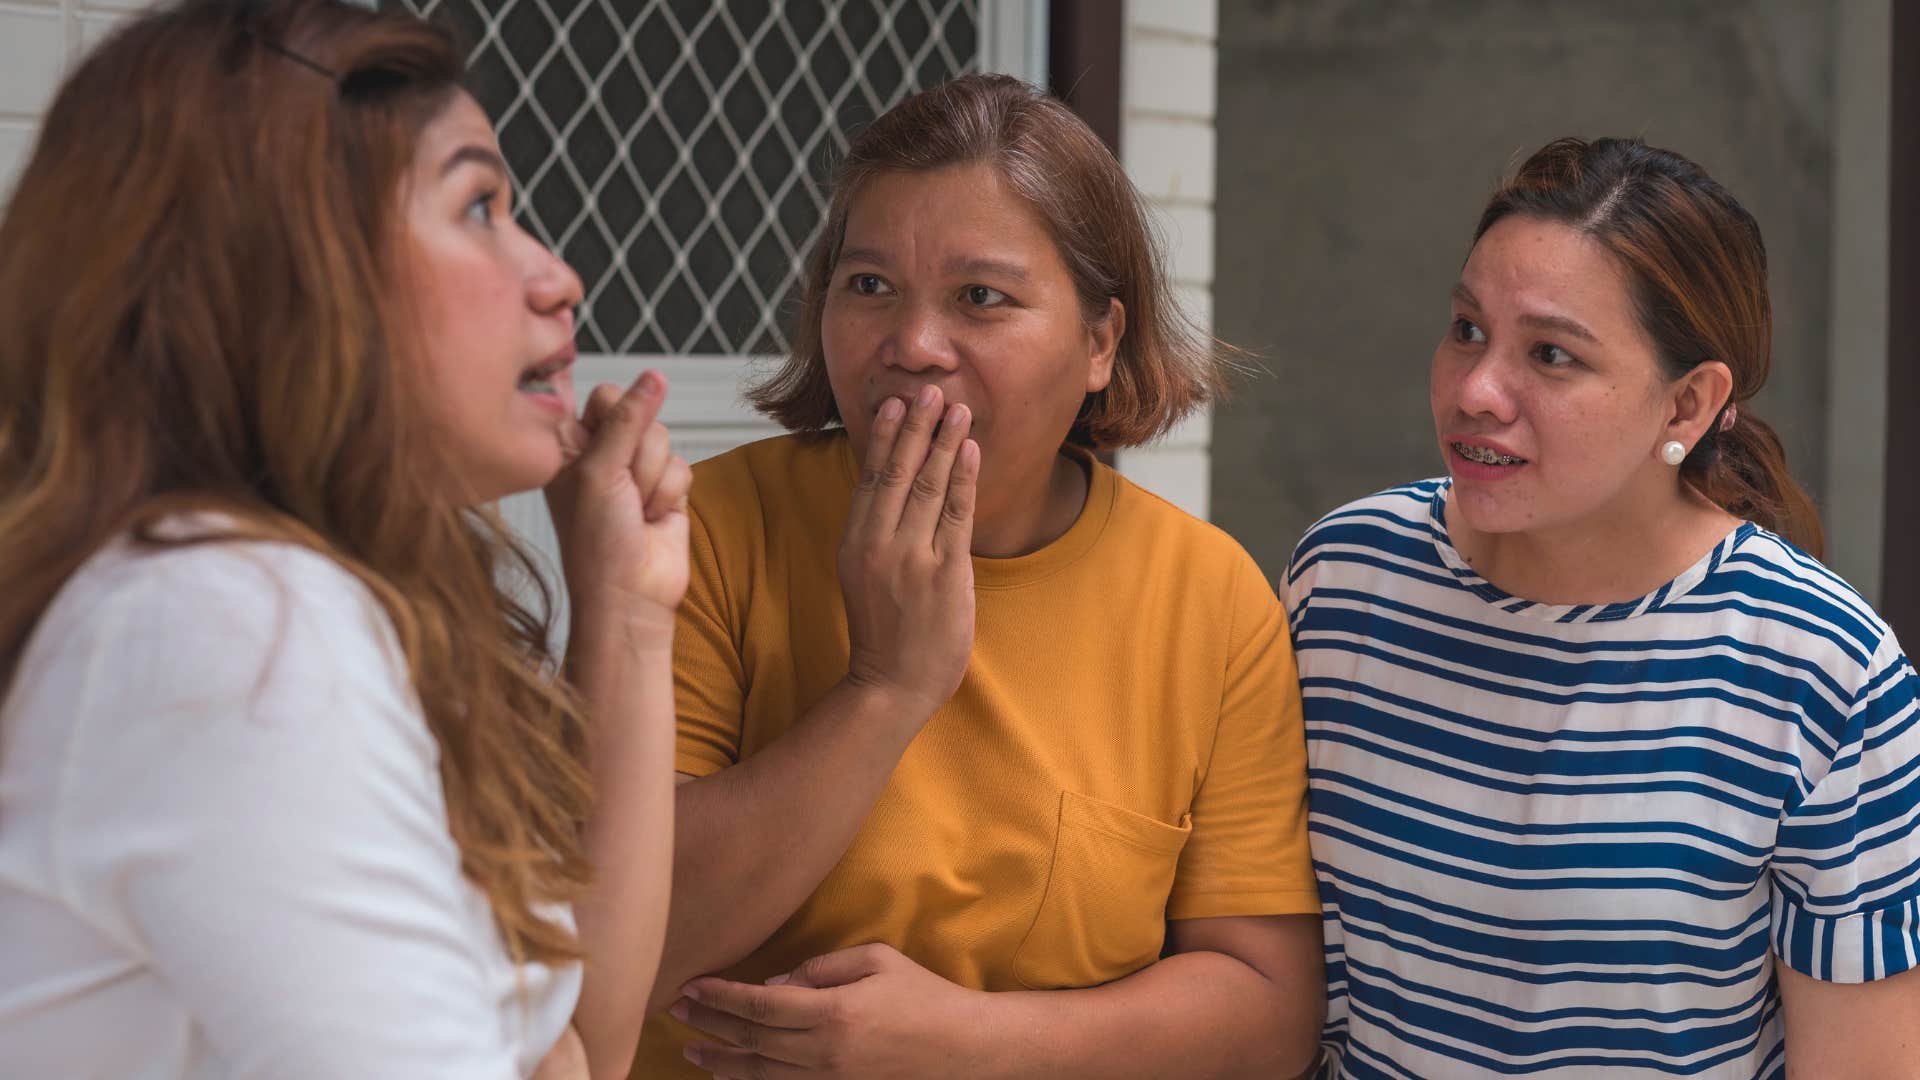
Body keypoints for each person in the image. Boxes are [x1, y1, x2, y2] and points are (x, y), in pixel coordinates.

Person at [0, 2, 687, 1077]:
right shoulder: (228, 621)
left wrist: (633, 614)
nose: (556, 277)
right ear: (282, 272)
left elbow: (590, 1035)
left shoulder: (345, 602)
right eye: (476, 208)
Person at [629, 74, 1325, 1079]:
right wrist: (886, 686)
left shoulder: (1208, 599)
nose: (911, 347)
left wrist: (968, 1045)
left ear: (1099, 342)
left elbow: (1266, 1015)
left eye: (981, 299)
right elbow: (620, 941)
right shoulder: (709, 531)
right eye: (868, 286)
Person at [1284, 136, 1920, 1078]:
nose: (1476, 391)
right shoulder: (1345, 582)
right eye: (1466, 329)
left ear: (1688, 405)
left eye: (1550, 354)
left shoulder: (1824, 671)